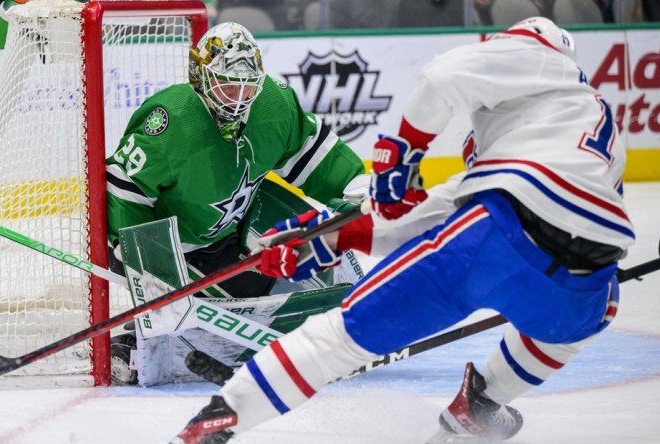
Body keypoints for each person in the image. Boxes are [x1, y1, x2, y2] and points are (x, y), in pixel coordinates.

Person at [172, 16, 634, 443]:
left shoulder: (539, 54)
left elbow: (442, 76)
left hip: (494, 239)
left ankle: (221, 418)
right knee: (592, 312)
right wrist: (334, 238)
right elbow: (435, 213)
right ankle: (485, 400)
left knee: (338, 340)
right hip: (584, 286)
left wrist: (405, 151)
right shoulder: (574, 135)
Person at [106, 22, 366, 384]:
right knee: (225, 322)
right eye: (228, 84)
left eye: (248, 85)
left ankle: (352, 320)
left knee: (303, 268)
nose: (239, 96)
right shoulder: (170, 122)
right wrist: (142, 257)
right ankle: (133, 349)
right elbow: (124, 184)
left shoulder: (273, 104)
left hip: (236, 226)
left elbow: (311, 153)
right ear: (200, 76)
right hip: (175, 248)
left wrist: (353, 182)